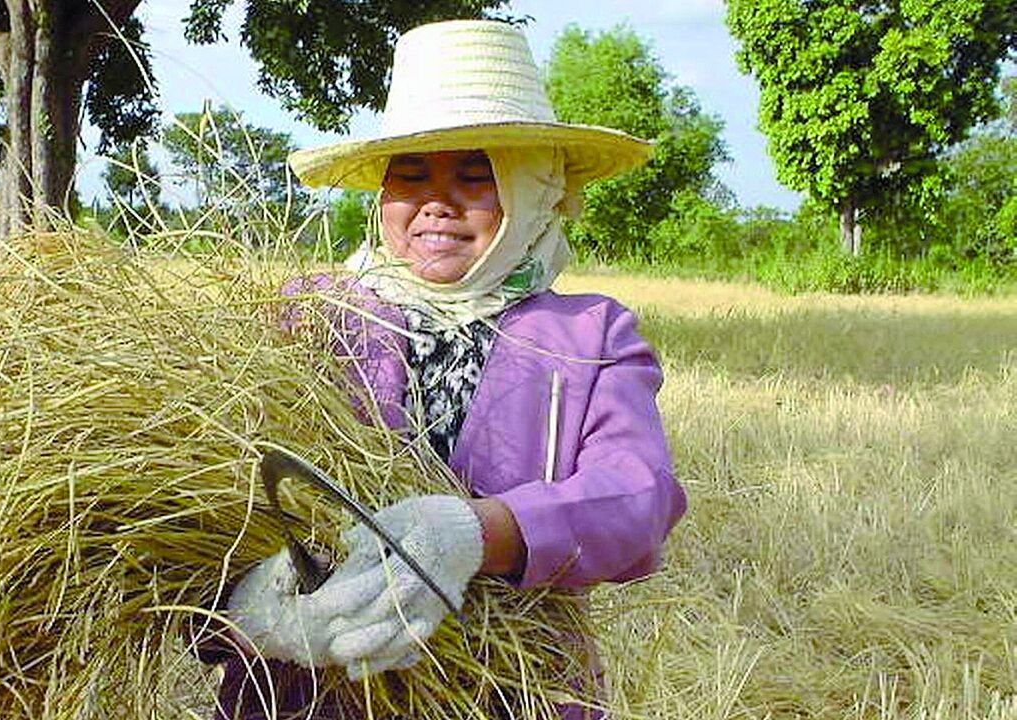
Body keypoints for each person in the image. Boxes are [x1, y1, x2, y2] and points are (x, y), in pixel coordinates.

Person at [207, 19, 687, 719]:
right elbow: (204, 490)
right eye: (411, 176)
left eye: (475, 176)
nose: (437, 202)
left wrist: (473, 534)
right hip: (309, 692)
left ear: (533, 191)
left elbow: (639, 498)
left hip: (510, 690)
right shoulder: (309, 315)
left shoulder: (590, 333)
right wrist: (252, 614)